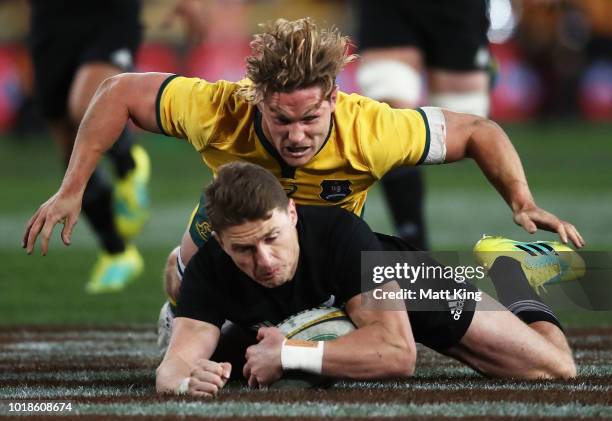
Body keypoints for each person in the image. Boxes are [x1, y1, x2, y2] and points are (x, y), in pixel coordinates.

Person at [22, 18, 584, 329]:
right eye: (280, 118)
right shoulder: (220, 108)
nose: (296, 136)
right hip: (240, 244)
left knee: (535, 361)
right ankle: (196, 311)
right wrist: (71, 190)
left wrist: (521, 199)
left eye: (311, 118)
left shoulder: (372, 128)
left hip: (341, 257)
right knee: (184, 279)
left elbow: (479, 129)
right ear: (257, 98)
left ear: (334, 99)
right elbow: (117, 91)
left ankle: (508, 288)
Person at [155, 161, 576, 396]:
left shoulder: (341, 235)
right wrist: (184, 381)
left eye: (272, 238)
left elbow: (398, 355)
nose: (264, 260)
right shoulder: (210, 267)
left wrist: (289, 355)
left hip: (396, 284)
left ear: (293, 214)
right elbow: (173, 367)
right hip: (285, 322)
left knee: (552, 368)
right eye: (243, 249)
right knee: (224, 356)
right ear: (223, 245)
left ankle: (513, 275)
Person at [27, 0, 151, 293]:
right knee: (70, 146)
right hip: (49, 22)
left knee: (86, 105)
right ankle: (117, 252)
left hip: (109, 15)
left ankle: (128, 164)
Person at [355, 0, 493, 250]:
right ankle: (414, 245)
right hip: (389, 7)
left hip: (459, 10)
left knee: (468, 126)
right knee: (389, 119)